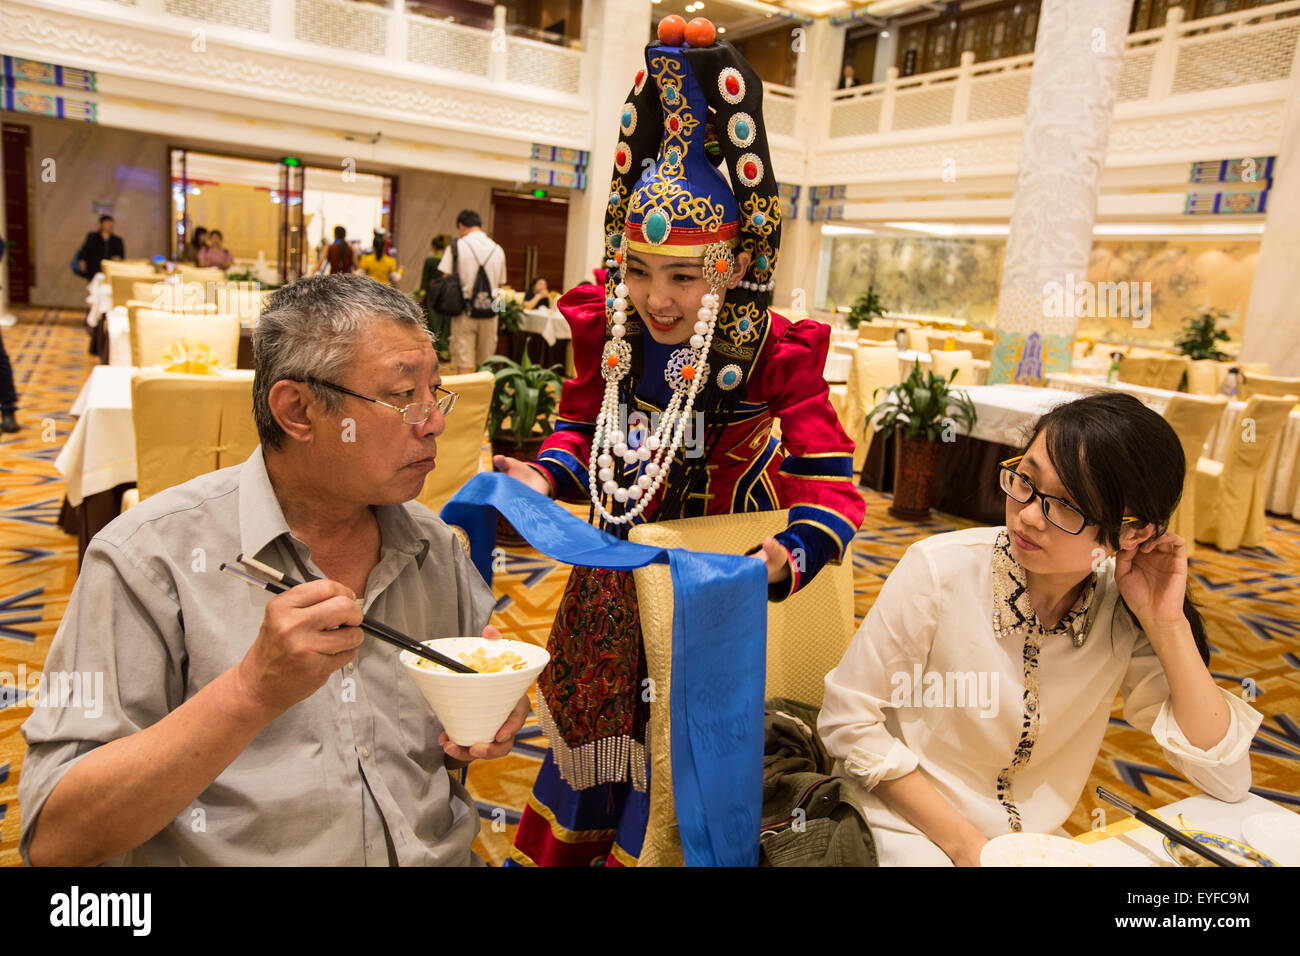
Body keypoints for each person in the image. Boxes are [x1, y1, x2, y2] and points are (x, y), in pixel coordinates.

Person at [493, 21, 865, 866]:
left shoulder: (772, 349)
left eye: (684, 275)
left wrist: (793, 551)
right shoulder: (612, 323)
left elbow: (835, 486)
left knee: (687, 759)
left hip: (721, 587)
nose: (657, 298)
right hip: (615, 567)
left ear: (728, 264)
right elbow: (580, 425)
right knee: (601, 741)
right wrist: (547, 479)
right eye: (638, 268)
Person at [18, 273, 529, 866]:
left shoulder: (434, 547)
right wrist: (250, 691)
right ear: (298, 411)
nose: (433, 421)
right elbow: (56, 840)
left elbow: (435, 751)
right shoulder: (148, 560)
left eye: (435, 393)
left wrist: (479, 721)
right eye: (401, 396)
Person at [818, 392, 1263, 866]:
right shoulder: (940, 570)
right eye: (1026, 481)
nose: (1028, 513)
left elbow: (1227, 779)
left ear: (1135, 534)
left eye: (1069, 506)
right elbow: (848, 723)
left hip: (1031, 850)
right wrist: (968, 848)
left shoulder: (1122, 606)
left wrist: (1165, 622)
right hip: (904, 827)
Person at [439, 210, 506, 373]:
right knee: (486, 363)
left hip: (464, 311)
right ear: (480, 226)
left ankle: (467, 399)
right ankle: (484, 398)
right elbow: (500, 286)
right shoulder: (498, 249)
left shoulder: (456, 246)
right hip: (490, 314)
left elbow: (446, 277)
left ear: (461, 226)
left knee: (464, 361)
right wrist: (498, 313)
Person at [420, 235, 452, 361]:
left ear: (433, 247)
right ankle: (446, 350)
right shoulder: (449, 261)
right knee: (446, 324)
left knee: (433, 324)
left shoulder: (430, 261)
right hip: (447, 295)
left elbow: (424, 281)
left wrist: (421, 296)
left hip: (432, 296)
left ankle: (438, 350)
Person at [75, 214, 125, 279]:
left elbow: (121, 255)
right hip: (93, 268)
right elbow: (85, 249)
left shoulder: (117, 240)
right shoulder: (92, 237)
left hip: (109, 269)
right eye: (107, 224)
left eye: (111, 225)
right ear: (102, 224)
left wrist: (117, 258)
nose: (110, 226)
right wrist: (82, 261)